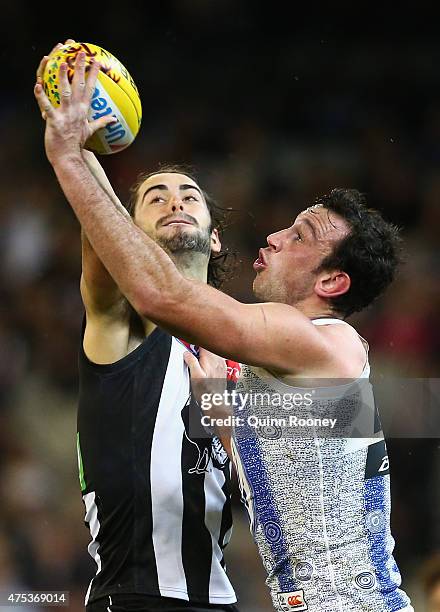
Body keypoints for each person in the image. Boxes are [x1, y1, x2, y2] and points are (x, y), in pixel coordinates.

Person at [34, 49, 414, 612]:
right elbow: (283, 474)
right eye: (154, 199)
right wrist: (219, 411)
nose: (275, 237)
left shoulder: (318, 341)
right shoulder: (290, 367)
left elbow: (162, 293)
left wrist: (68, 155)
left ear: (333, 282)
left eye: (299, 235)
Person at [36, 43, 239, 612]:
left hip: (221, 599)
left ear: (215, 236)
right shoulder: (120, 321)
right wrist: (81, 150)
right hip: (132, 597)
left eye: (189, 196)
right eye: (154, 198)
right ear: (128, 231)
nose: (174, 202)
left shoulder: (246, 343)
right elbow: (106, 251)